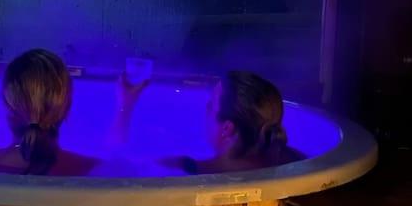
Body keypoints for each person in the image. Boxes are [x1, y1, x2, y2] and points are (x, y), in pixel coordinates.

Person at [114, 70, 301, 174]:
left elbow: (114, 168)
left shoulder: (182, 170)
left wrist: (126, 106)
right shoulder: (291, 162)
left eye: (210, 105)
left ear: (227, 129)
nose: (205, 108)